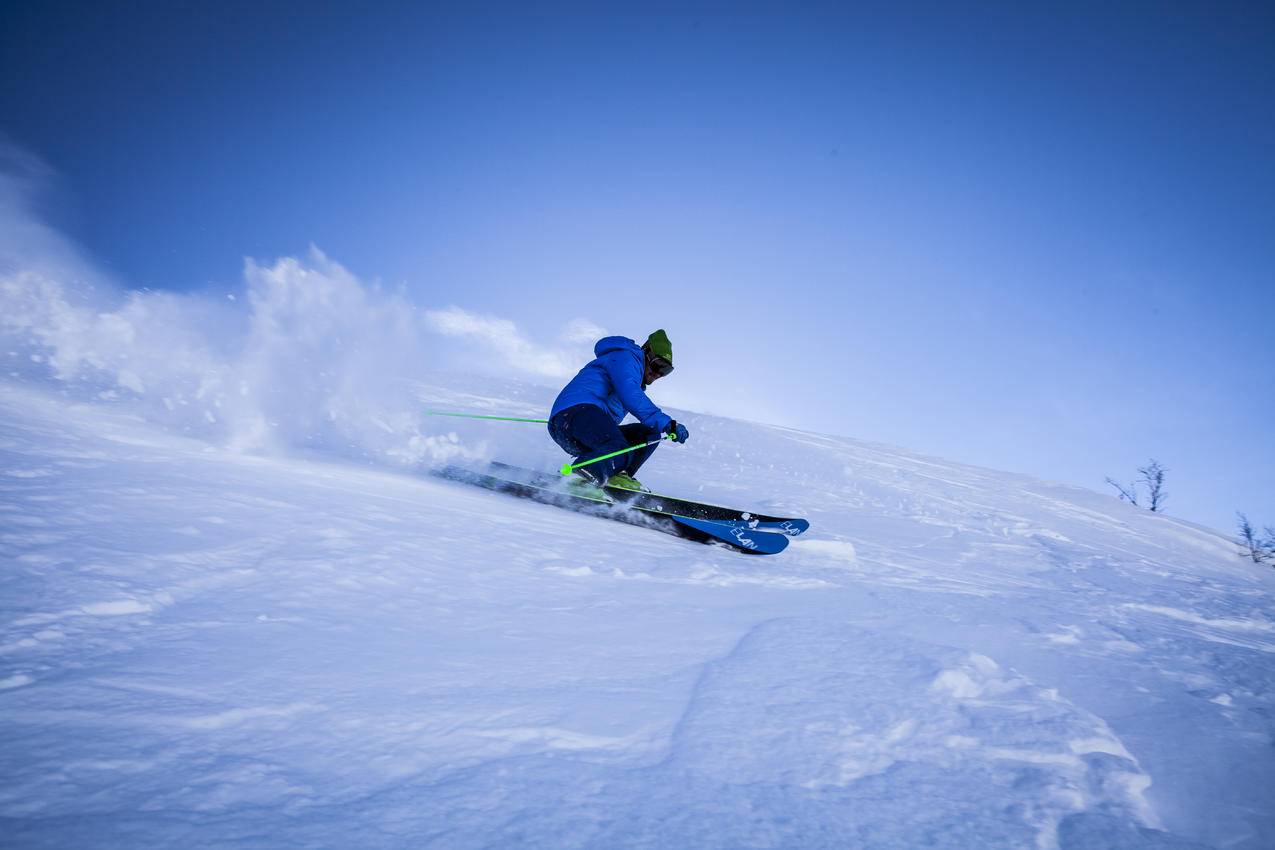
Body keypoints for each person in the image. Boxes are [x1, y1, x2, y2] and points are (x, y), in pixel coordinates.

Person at [548, 329, 689, 491]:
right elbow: (630, 394)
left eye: (665, 371)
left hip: (585, 426)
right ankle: (582, 478)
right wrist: (667, 423)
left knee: (648, 436)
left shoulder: (635, 376)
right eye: (658, 365)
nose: (658, 373)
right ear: (646, 352)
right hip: (573, 415)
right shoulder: (627, 358)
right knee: (618, 446)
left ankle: (617, 475)